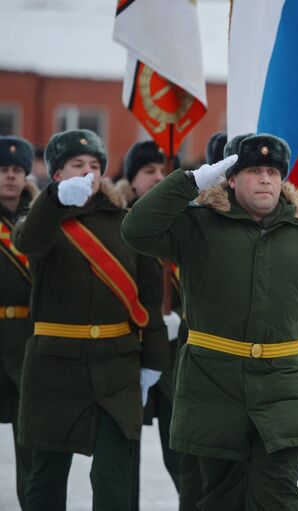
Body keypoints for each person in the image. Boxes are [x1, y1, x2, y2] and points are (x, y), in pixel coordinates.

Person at [121, 133, 298, 510]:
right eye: (254, 170)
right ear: (232, 178)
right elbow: (136, 229)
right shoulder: (198, 226)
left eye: (272, 171)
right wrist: (189, 182)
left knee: (279, 495)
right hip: (212, 386)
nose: (266, 179)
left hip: (283, 388)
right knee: (216, 498)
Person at [12, 129, 170, 511]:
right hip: (55, 369)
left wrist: (153, 360)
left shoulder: (126, 221)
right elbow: (27, 243)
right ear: (57, 175)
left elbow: (148, 296)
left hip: (115, 367)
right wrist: (52, 203)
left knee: (114, 478)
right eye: (76, 165)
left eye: (95, 165)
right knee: (46, 479)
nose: (87, 172)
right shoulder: (43, 220)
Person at [117, 140, 184, 504]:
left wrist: (181, 317)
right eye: (149, 171)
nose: (159, 177)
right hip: (133, 351)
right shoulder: (119, 221)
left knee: (182, 455)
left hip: (177, 355)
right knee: (125, 455)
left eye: (163, 171)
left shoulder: (185, 219)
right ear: (132, 178)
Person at [0, 135, 38, 509]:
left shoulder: (38, 217)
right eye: (3, 170)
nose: (10, 177)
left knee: (27, 434)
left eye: (16, 170)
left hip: (27, 336)